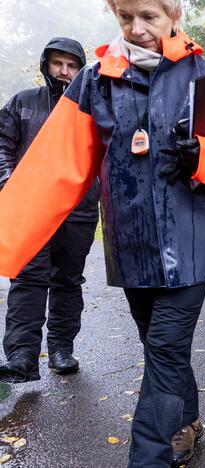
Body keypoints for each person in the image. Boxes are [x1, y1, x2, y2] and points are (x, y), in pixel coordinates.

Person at [0, 0, 205, 465]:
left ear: (173, 16)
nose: (137, 28)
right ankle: (188, 419)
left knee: (164, 347)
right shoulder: (93, 83)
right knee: (159, 345)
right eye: (126, 17)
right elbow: (53, 167)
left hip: (193, 245)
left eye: (149, 16)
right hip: (132, 247)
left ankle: (149, 457)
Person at [0, 37, 100, 383]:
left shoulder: (93, 108)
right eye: (58, 64)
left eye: (72, 66)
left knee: (68, 280)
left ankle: (61, 349)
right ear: (46, 64)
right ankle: (22, 356)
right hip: (31, 208)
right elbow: (2, 144)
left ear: (81, 69)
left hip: (79, 209)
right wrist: (10, 183)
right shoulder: (23, 102)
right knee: (28, 278)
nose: (64, 72)